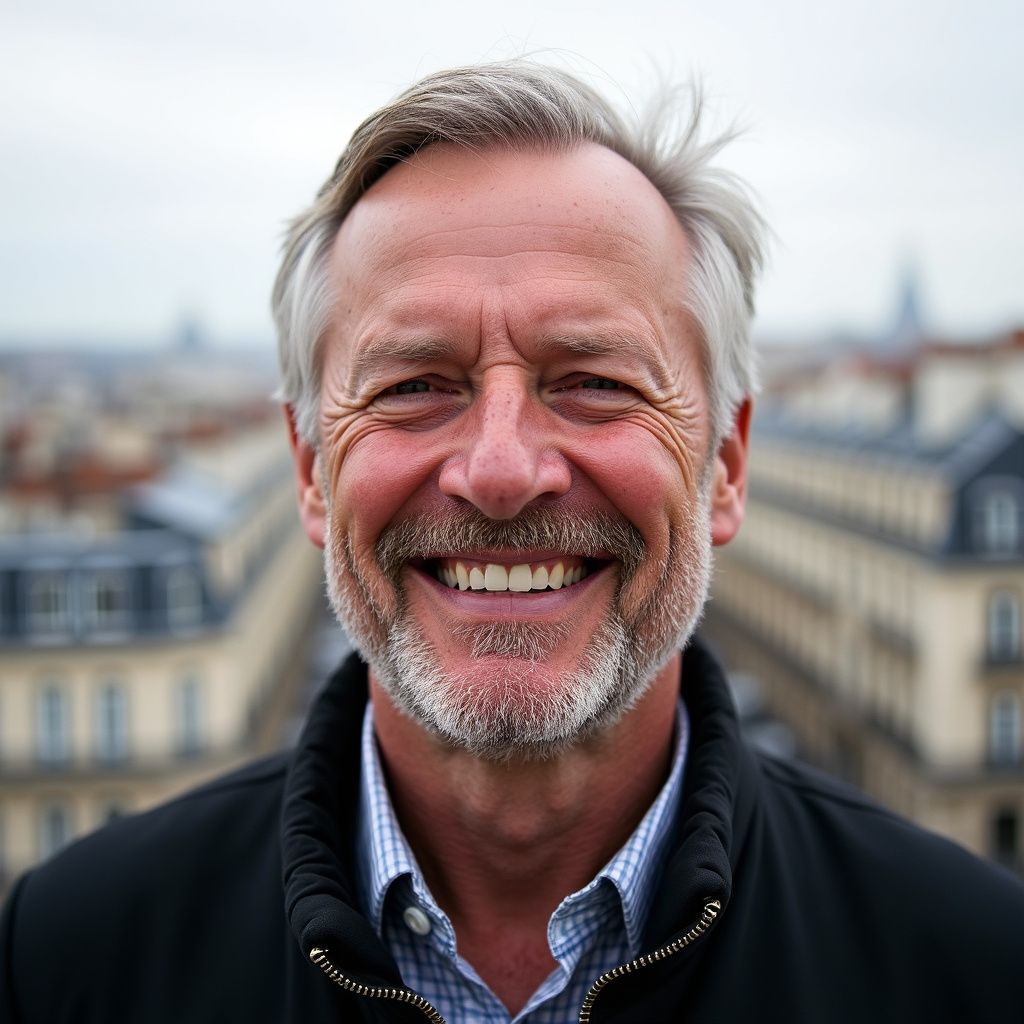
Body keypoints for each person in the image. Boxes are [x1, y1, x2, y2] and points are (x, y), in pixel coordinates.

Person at [2, 60, 1022, 1024]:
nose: (498, 470)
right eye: (413, 386)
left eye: (594, 381)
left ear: (724, 465)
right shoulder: (61, 959)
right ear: (311, 471)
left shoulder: (977, 967)